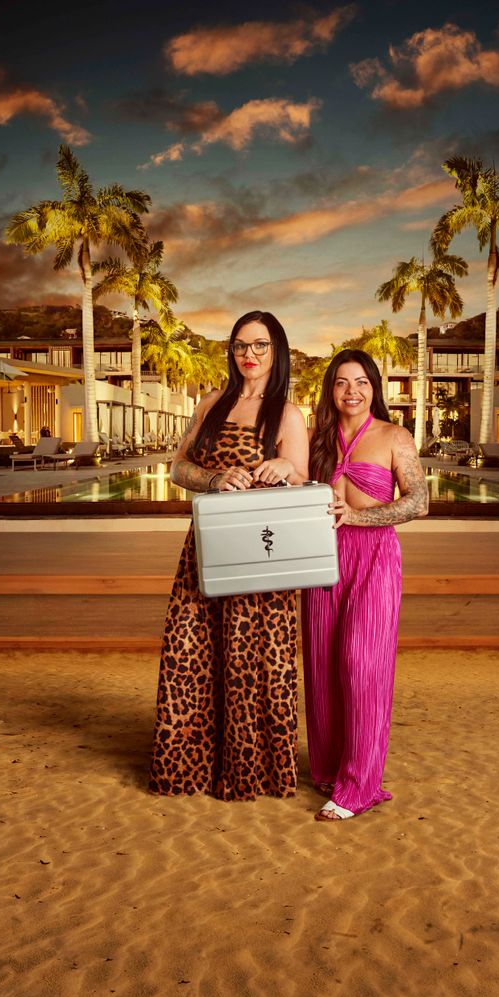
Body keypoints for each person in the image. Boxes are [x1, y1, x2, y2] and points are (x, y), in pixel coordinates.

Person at [148, 310, 309, 801]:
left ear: (277, 351)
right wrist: (215, 478)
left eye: (260, 345)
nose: (249, 354)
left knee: (251, 662)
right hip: (205, 548)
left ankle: (250, 771)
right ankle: (189, 769)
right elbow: (178, 467)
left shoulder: (287, 414)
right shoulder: (211, 403)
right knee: (190, 653)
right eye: (241, 345)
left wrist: (284, 467)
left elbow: (303, 481)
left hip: (259, 554)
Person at [302, 349, 429, 821]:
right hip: (321, 558)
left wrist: (357, 516)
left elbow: (419, 502)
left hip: (374, 557)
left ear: (374, 388)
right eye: (341, 382)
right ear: (330, 390)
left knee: (362, 664)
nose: (351, 391)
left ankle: (359, 787)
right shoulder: (317, 439)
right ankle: (330, 769)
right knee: (322, 665)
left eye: (361, 382)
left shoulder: (394, 436)